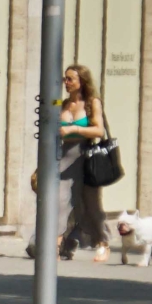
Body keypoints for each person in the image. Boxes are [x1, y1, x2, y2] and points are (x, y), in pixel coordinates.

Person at [57, 64, 112, 264]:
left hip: (86, 159)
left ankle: (103, 243)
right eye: (65, 78)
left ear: (82, 82)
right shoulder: (61, 103)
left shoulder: (92, 102)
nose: (66, 83)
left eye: (70, 79)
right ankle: (57, 243)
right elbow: (49, 119)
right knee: (60, 203)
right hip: (64, 159)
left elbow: (99, 131)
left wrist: (74, 130)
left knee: (91, 206)